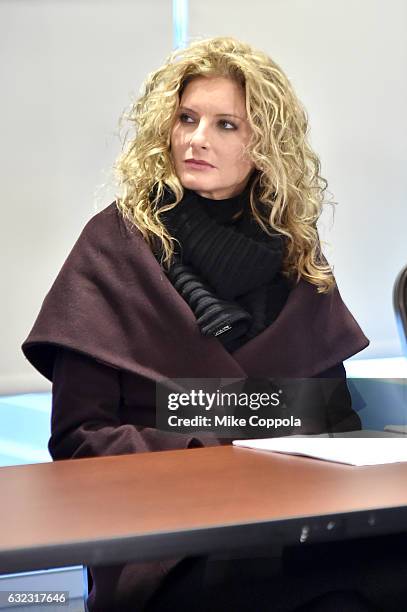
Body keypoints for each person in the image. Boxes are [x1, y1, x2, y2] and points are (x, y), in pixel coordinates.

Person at [22, 37, 378, 611]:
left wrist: (258, 434)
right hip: (168, 541)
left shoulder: (296, 257)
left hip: (294, 525)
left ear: (265, 146)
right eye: (186, 118)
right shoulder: (113, 247)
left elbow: (334, 418)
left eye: (226, 125)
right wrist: (219, 443)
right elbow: (79, 437)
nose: (195, 139)